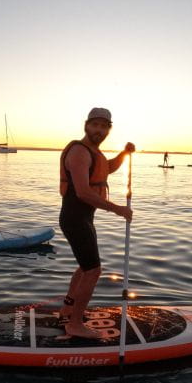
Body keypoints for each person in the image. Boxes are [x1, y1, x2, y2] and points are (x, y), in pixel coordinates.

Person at [59, 107, 135, 339]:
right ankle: (75, 324)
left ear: (108, 129)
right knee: (93, 271)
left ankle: (67, 310)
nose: (99, 130)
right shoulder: (79, 152)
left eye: (104, 126)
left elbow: (106, 169)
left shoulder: (94, 152)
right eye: (95, 125)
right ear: (86, 125)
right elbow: (82, 192)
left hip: (83, 218)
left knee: (85, 267)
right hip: (75, 218)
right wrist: (117, 209)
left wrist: (124, 153)